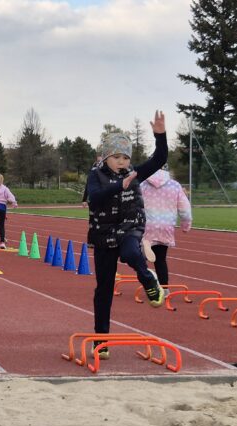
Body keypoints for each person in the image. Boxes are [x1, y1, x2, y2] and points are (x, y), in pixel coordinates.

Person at [87, 110, 168, 360]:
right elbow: (94, 198)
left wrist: (160, 136)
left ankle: (148, 280)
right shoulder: (95, 175)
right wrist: (116, 187)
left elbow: (159, 159)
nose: (122, 162)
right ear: (106, 157)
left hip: (130, 226)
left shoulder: (134, 174)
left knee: (132, 253)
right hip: (103, 232)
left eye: (125, 157)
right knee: (104, 288)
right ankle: (101, 340)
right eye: (116, 157)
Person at [141, 164, 192, 294]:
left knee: (140, 259)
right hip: (165, 226)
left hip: (146, 226)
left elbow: (134, 204)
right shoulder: (175, 186)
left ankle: (148, 284)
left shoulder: (143, 185)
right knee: (161, 259)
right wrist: (186, 224)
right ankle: (164, 288)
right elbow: (185, 208)